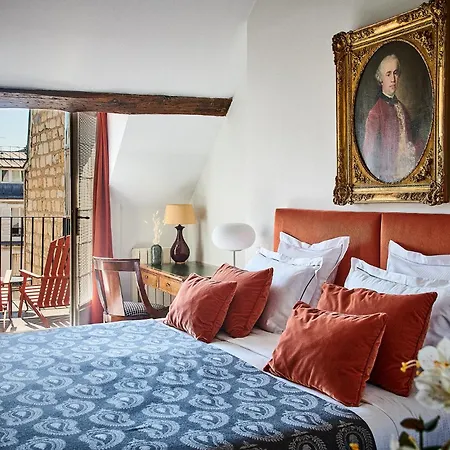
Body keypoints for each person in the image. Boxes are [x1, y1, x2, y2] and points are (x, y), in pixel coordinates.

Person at [361, 54, 423, 183]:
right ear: (381, 79)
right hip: (388, 176)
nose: (393, 79)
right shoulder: (375, 113)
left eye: (395, 73)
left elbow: (411, 140)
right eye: (388, 74)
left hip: (408, 172)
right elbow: (369, 153)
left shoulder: (402, 108)